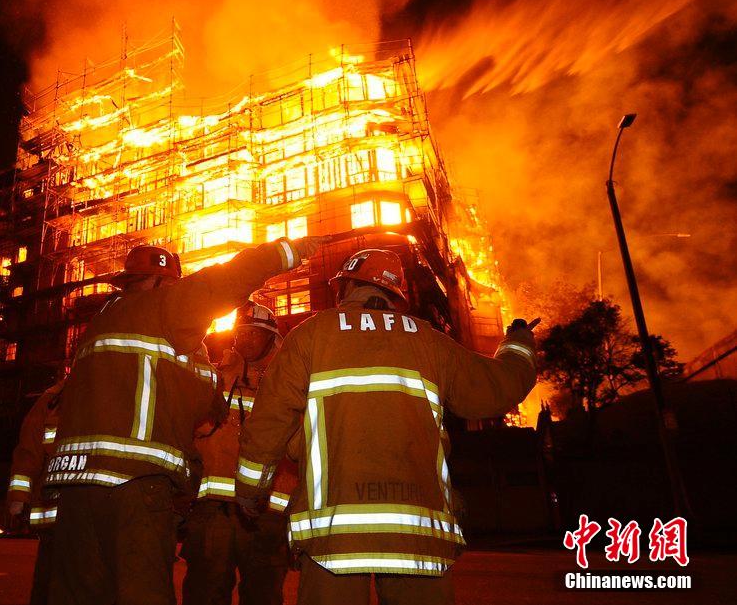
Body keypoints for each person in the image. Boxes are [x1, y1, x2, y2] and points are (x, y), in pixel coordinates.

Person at [234, 248, 537, 605]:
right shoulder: (428, 341)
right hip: (418, 534)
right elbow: (497, 388)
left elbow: (269, 422)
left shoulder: (311, 335)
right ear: (397, 295)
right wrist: (518, 342)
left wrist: (250, 492)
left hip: (334, 535)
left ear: (345, 286)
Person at [46, 236, 323, 605]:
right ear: (162, 283)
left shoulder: (104, 320)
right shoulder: (163, 306)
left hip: (76, 487)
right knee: (141, 592)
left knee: (82, 593)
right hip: (133, 483)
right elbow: (224, 280)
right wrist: (291, 250)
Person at [182, 302, 299, 605]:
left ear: (271, 336)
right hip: (213, 510)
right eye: (239, 333)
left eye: (251, 333)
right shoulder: (218, 375)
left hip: (267, 513)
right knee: (204, 591)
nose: (242, 340)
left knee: (262, 593)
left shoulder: (290, 381)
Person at [7, 377, 67, 605]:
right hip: (54, 515)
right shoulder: (53, 398)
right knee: (48, 583)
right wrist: (19, 496)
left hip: (87, 514)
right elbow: (28, 450)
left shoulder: (108, 390)